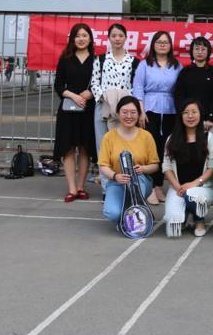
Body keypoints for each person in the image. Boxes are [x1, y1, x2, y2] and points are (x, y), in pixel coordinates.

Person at [132, 30, 182, 206]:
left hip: (170, 110)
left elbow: (180, 88)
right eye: (159, 42)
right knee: (150, 148)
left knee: (165, 148)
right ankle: (150, 187)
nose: (162, 45)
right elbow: (138, 87)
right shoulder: (145, 64)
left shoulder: (176, 65)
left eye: (165, 42)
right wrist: (141, 111)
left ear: (170, 46)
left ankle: (159, 185)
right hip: (149, 109)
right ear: (153, 44)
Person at [97, 96, 160, 224]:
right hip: (117, 182)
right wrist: (115, 176)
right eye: (125, 112)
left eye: (133, 112)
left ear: (139, 114)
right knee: (112, 213)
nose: (129, 116)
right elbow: (103, 165)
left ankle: (137, 210)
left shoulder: (146, 136)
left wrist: (143, 169)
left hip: (141, 181)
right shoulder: (109, 137)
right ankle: (134, 213)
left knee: (137, 188)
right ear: (118, 113)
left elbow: (155, 165)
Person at [54, 23, 97, 203]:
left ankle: (81, 187)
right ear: (72, 39)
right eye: (77, 36)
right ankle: (71, 189)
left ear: (90, 39)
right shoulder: (65, 59)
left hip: (88, 109)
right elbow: (58, 85)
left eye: (84, 35)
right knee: (69, 148)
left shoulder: (97, 60)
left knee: (85, 148)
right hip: (68, 110)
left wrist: (91, 93)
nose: (81, 39)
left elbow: (101, 83)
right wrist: (73, 96)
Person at [162, 100, 213, 238]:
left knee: (194, 196)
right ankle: (184, 214)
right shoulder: (172, 139)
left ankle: (199, 219)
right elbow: (166, 167)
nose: (190, 116)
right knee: (173, 228)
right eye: (186, 112)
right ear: (180, 116)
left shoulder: (209, 138)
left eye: (194, 112)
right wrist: (177, 186)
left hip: (202, 188)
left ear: (200, 114)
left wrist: (194, 184)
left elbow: (212, 168)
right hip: (178, 188)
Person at [90, 23, 140, 173]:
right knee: (102, 145)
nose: (117, 39)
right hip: (103, 106)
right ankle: (106, 182)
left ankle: (125, 179)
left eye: (120, 36)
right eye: (114, 36)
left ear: (126, 38)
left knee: (124, 144)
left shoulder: (133, 61)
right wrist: (105, 98)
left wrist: (123, 101)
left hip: (126, 108)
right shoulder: (101, 59)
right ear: (109, 38)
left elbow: (136, 85)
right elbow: (94, 83)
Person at [173, 36, 213, 134]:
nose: (200, 52)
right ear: (192, 51)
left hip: (208, 122)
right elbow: (179, 95)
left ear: (208, 52)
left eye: (203, 49)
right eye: (196, 49)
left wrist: (211, 118)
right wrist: (184, 114)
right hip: (189, 119)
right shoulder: (185, 72)